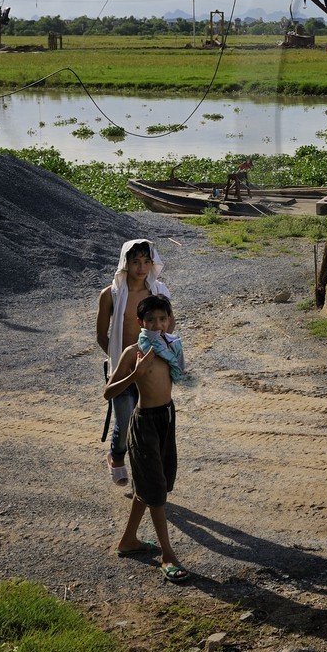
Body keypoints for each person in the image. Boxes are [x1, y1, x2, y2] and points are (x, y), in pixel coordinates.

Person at [104, 293, 191, 583]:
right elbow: (109, 391)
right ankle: (168, 555)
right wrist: (135, 374)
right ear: (140, 322)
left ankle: (128, 541)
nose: (157, 324)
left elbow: (180, 377)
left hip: (167, 417)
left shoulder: (170, 345)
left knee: (155, 482)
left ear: (169, 320)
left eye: (162, 319)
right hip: (145, 425)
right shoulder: (134, 352)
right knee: (156, 490)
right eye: (150, 320)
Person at [96, 239, 170, 487]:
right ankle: (116, 457)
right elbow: (100, 335)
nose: (141, 267)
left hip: (151, 368)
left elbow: (169, 326)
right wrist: (120, 361)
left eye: (146, 261)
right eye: (136, 261)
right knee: (125, 420)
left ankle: (144, 471)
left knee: (149, 422)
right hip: (123, 369)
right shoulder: (111, 294)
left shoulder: (158, 293)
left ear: (152, 263)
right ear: (125, 263)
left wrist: (160, 360)